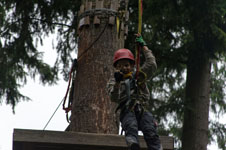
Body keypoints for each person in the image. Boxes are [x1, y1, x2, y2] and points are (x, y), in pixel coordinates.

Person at [107, 33, 162, 150]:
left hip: (141, 109)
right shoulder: (114, 80)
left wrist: (144, 47)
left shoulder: (138, 76)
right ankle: (133, 145)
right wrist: (118, 83)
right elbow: (113, 98)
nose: (124, 68)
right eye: (120, 66)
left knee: (150, 130)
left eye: (127, 65)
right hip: (127, 110)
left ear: (132, 66)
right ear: (116, 68)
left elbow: (152, 65)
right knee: (131, 127)